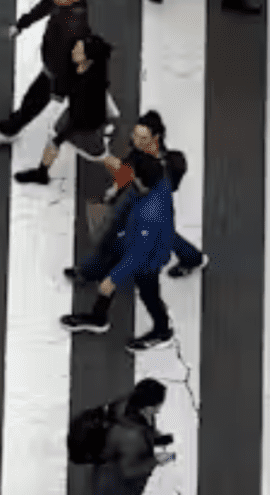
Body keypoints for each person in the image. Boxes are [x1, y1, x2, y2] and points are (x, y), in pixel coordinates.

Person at [60, 150, 175, 352]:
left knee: (149, 293)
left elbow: (138, 254)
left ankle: (162, 330)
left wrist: (113, 278)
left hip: (148, 257)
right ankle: (97, 306)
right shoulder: (157, 184)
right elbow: (132, 197)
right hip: (131, 236)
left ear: (141, 181)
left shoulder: (150, 214)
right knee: (108, 254)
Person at [53, 378, 175, 495]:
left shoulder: (128, 406)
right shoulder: (131, 436)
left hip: (114, 464)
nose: (160, 409)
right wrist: (156, 460)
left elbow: (142, 428)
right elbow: (130, 471)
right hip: (112, 478)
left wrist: (156, 438)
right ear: (148, 407)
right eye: (159, 405)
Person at [0, 0, 91, 147]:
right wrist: (21, 25)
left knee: (32, 102)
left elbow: (66, 62)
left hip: (55, 72)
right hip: (53, 66)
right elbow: (45, 5)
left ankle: (9, 132)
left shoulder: (73, 26)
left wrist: (59, 89)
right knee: (34, 101)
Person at [101, 111, 209, 279]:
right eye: (135, 134)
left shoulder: (158, 166)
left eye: (141, 137)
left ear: (155, 137)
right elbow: (129, 167)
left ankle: (192, 258)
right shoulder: (141, 151)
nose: (135, 140)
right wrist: (116, 189)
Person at [14, 33, 119, 184]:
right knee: (54, 137)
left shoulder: (88, 87)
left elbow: (80, 118)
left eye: (79, 50)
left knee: (101, 156)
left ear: (87, 60)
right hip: (78, 115)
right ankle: (42, 173)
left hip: (86, 127)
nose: (74, 49)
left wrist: (62, 136)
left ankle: (127, 176)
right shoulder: (90, 70)